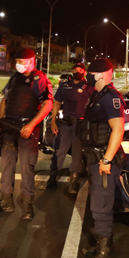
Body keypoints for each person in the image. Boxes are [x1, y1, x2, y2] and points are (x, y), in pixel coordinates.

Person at [0, 48, 53, 219]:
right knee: (6, 166)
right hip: (9, 128)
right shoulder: (14, 78)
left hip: (27, 130)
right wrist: (0, 121)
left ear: (32, 61)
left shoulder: (39, 79)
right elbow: (5, 99)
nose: (18, 64)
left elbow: (48, 104)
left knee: (27, 168)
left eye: (21, 61)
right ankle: (5, 200)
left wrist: (32, 125)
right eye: (17, 60)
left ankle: (27, 204)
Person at [77, 58, 126, 258]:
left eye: (91, 72)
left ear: (102, 75)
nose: (87, 75)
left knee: (101, 207)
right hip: (93, 159)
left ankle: (104, 254)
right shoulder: (97, 96)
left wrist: (106, 160)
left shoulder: (110, 98)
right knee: (97, 206)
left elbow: (118, 129)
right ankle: (100, 245)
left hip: (103, 161)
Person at [48, 62, 92, 193]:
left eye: (80, 69)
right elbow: (56, 103)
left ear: (84, 72)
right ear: (72, 71)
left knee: (77, 154)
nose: (77, 71)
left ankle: (73, 181)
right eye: (75, 69)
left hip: (80, 125)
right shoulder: (64, 85)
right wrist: (53, 121)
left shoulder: (89, 87)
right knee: (59, 151)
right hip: (66, 123)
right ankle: (53, 176)